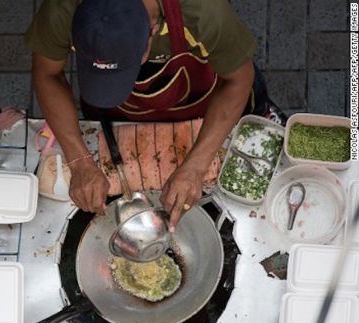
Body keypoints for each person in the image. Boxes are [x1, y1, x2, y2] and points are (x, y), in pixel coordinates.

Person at [28, 0, 282, 229]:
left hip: (205, 97)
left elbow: (238, 79)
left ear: (151, 33)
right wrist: (79, 160)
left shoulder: (203, 12)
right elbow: (48, 74)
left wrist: (195, 167)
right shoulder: (61, 9)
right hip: (123, 111)